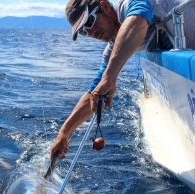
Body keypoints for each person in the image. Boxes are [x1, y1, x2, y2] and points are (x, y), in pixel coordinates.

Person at [51, 0, 174, 159]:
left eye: (90, 21)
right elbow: (93, 93)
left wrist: (109, 77)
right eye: (83, 31)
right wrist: (64, 132)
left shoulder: (127, 5)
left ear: (105, 7)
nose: (90, 33)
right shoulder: (111, 51)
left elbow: (138, 18)